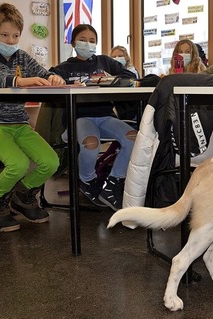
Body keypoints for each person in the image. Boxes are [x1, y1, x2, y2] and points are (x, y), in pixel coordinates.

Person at [0, 3, 64, 232]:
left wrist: (54, 78)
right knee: (18, 164)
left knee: (51, 162)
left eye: (15, 35)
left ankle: (22, 196)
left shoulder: (22, 57)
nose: (11, 41)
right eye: (4, 35)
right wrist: (18, 81)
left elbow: (43, 73)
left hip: (19, 124)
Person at [49, 24, 137, 211]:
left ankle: (113, 182)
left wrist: (109, 80)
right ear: (73, 42)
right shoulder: (65, 67)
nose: (87, 44)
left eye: (92, 41)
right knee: (90, 144)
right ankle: (87, 181)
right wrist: (54, 78)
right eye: (83, 40)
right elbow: (50, 76)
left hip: (105, 116)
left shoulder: (105, 62)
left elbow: (129, 75)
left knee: (133, 137)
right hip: (80, 117)